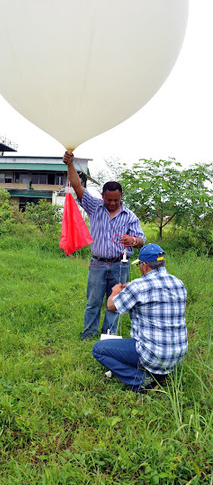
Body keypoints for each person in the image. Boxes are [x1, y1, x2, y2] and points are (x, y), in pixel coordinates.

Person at [63, 151, 145, 340]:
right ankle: (88, 334)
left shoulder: (130, 216)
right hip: (97, 263)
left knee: (116, 301)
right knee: (93, 301)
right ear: (103, 196)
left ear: (121, 196)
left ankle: (108, 335)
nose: (112, 203)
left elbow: (141, 240)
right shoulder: (94, 206)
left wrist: (132, 240)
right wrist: (70, 164)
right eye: (109, 199)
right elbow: (76, 185)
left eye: (116, 200)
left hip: (120, 265)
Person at [92, 243, 188, 393]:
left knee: (99, 349)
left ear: (144, 265)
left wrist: (115, 291)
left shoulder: (139, 286)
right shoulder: (178, 283)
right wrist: (132, 287)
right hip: (177, 355)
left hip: (152, 355)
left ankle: (143, 381)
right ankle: (161, 375)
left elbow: (111, 305)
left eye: (139, 266)